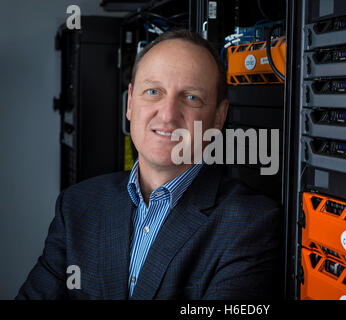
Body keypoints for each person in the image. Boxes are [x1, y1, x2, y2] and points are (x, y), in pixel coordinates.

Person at [16, 29, 282, 300]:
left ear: (218, 117)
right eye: (153, 91)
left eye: (191, 97)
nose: (167, 115)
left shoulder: (248, 224)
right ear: (130, 103)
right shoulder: (77, 206)